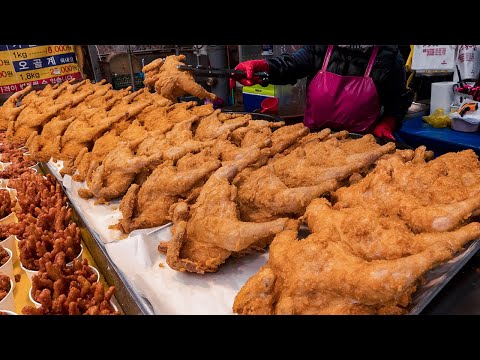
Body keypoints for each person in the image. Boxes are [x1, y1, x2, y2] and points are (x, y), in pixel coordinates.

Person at [231, 45, 414, 140]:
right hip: (313, 139)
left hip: (360, 143)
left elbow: (398, 101)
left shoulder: (388, 58)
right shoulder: (321, 48)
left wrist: (388, 122)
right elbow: (291, 65)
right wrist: (265, 67)